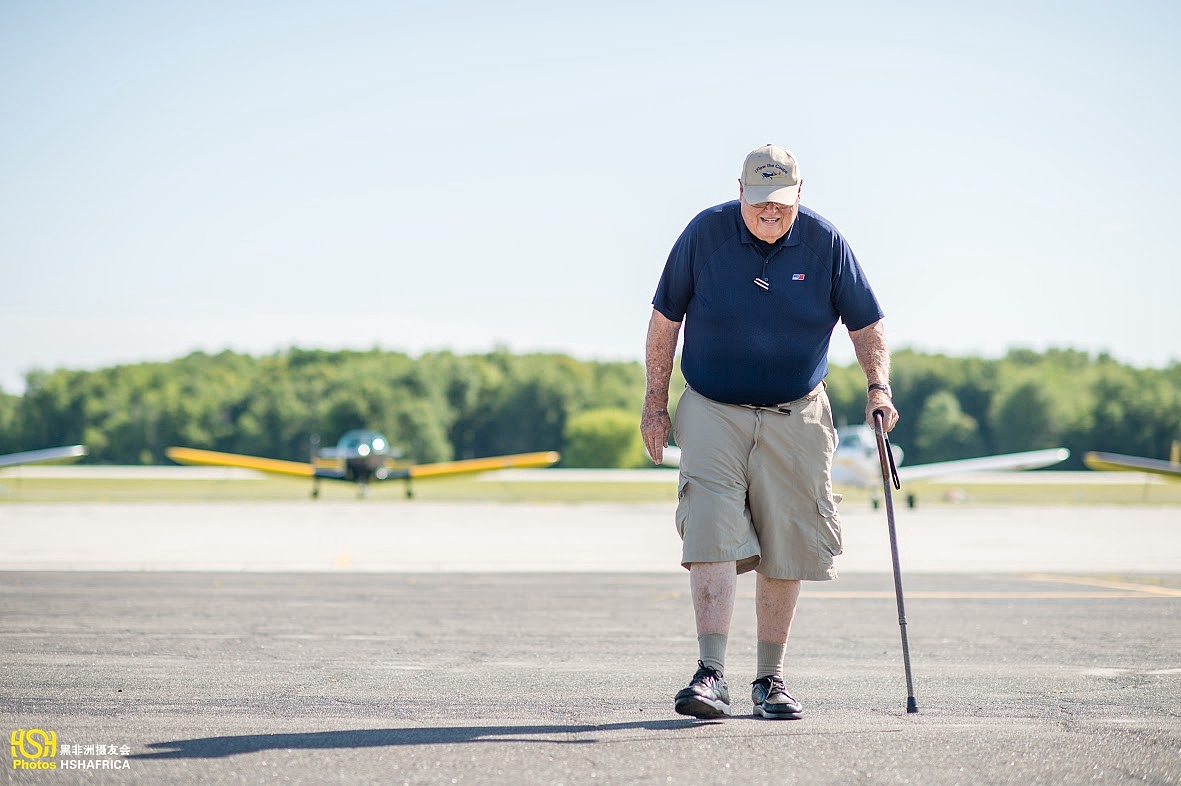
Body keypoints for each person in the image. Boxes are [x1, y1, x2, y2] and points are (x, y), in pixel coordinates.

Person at [640, 143, 899, 721]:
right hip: (711, 406)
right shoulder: (703, 236)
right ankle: (710, 673)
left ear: (799, 195)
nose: (769, 213)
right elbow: (663, 323)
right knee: (709, 524)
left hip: (797, 409)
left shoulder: (826, 243)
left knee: (789, 540)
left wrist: (878, 388)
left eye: (781, 203)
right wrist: (655, 404)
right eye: (759, 202)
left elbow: (867, 324)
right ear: (740, 193)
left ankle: (769, 679)